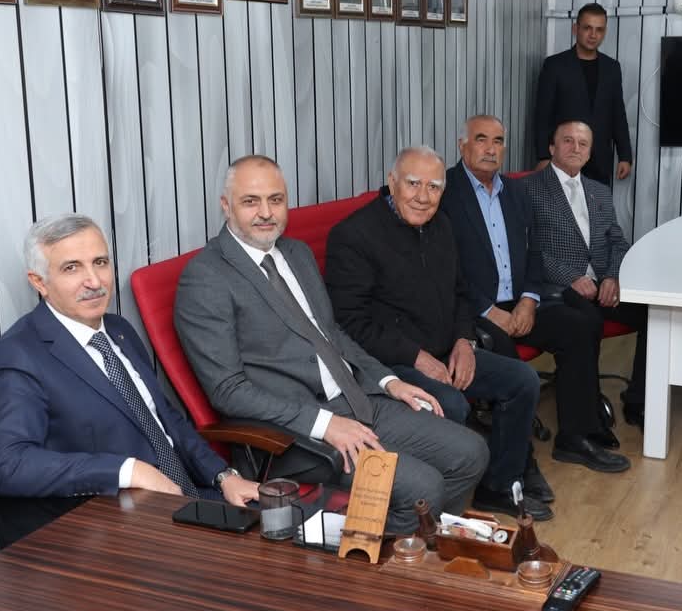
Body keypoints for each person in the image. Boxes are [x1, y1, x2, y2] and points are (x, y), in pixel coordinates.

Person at [175, 155, 488, 535]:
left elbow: (332, 334)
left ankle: (421, 546)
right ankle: (386, 561)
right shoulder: (206, 278)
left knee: (471, 453)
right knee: (423, 487)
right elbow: (228, 391)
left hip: (357, 399)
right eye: (251, 201)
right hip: (294, 437)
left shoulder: (296, 254)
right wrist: (324, 424)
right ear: (226, 206)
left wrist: (389, 382)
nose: (266, 213)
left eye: (276, 200)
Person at [0, 214, 260, 547]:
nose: (94, 281)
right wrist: (126, 471)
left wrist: (223, 476)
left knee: (296, 527)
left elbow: (165, 419)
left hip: (194, 499)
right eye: (72, 268)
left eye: (100, 262)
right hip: (129, 529)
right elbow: (8, 465)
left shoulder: (118, 329)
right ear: (39, 282)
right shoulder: (18, 355)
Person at [324, 147, 548, 518]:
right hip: (391, 363)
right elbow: (349, 323)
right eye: (413, 184)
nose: (423, 196)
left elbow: (461, 292)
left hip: (448, 349)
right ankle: (435, 506)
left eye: (434, 187)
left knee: (522, 380)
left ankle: (497, 486)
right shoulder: (353, 236)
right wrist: (416, 357)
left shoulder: (442, 225)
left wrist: (464, 342)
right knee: (450, 403)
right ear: (392, 182)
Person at [442, 115, 623, 473]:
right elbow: (445, 267)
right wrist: (488, 310)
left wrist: (528, 300)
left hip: (519, 301)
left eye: (498, 141)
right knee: (507, 358)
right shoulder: (444, 192)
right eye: (481, 139)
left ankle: (576, 438)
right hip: (473, 309)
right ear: (462, 146)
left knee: (579, 325)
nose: (490, 149)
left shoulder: (514, 192)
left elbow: (535, 252)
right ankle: (517, 465)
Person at [524, 120, 642, 470]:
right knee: (585, 321)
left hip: (601, 285)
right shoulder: (528, 189)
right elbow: (527, 248)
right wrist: (572, 277)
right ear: (552, 147)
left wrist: (612, 277)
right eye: (568, 141)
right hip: (559, 288)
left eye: (583, 143)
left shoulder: (599, 191)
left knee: (650, 312)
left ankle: (638, 401)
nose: (575, 148)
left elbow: (618, 241)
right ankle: (587, 423)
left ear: (590, 153)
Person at [533, 3, 634, 185]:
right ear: (575, 29)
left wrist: (625, 156)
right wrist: (543, 156)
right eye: (587, 28)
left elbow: (618, 114)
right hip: (563, 158)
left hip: (600, 160)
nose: (593, 35)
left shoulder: (612, 68)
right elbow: (543, 115)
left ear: (604, 32)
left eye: (599, 29)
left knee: (597, 204)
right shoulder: (554, 65)